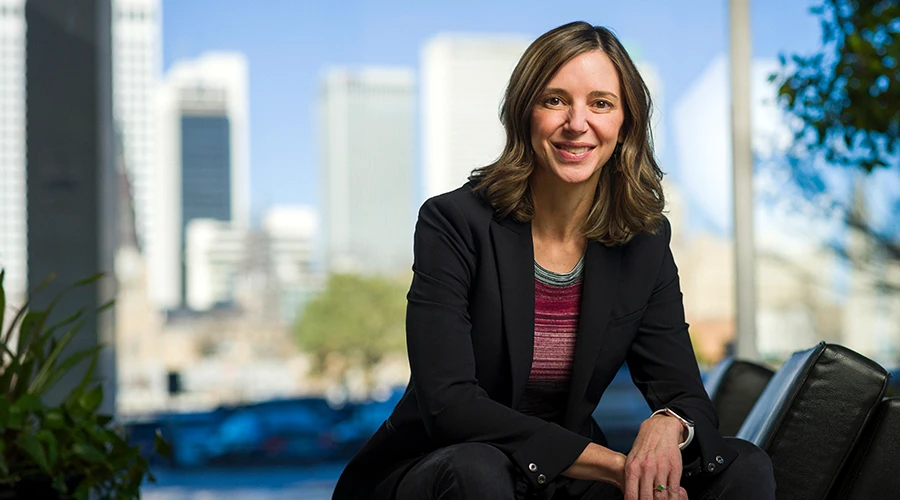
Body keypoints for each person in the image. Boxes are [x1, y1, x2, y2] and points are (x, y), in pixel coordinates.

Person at [332, 21, 776, 500]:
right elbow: (450, 405)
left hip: (564, 479)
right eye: (555, 100)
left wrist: (670, 424)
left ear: (626, 122)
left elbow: (685, 393)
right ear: (525, 113)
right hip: (440, 464)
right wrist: (615, 466)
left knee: (743, 464)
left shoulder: (643, 242)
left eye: (601, 103)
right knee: (478, 469)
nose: (577, 123)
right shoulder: (454, 222)